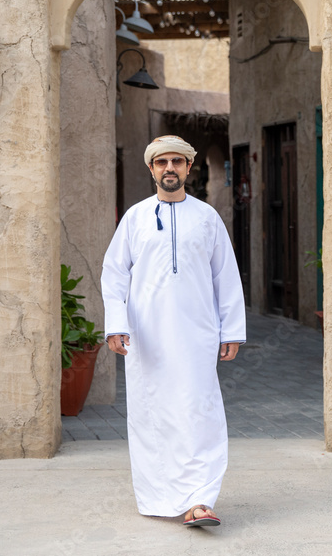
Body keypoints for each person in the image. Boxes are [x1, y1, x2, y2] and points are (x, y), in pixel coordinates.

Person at [102, 135, 245, 528]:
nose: (169, 168)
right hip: (146, 338)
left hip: (197, 334)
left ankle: (200, 499)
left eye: (177, 162)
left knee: (200, 413)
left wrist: (230, 329)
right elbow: (114, 274)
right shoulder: (134, 218)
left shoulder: (207, 218)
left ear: (188, 168)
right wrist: (116, 323)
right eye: (162, 162)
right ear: (151, 169)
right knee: (153, 416)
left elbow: (226, 277)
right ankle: (160, 497)